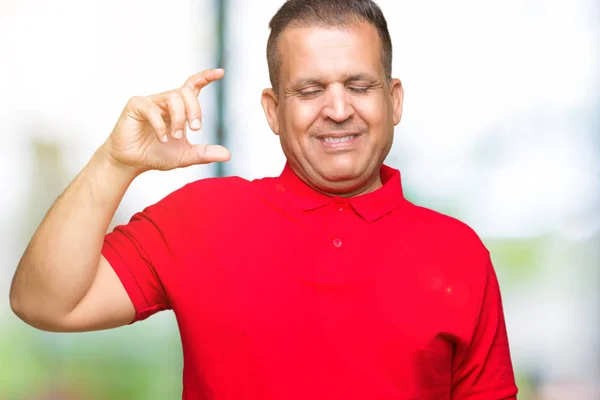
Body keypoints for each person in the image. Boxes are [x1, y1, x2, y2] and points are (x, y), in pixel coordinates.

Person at [9, 0, 518, 398]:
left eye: (359, 85)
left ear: (394, 99)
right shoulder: (202, 218)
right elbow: (44, 302)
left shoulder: (459, 254)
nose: (338, 109)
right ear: (273, 111)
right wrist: (115, 162)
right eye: (310, 90)